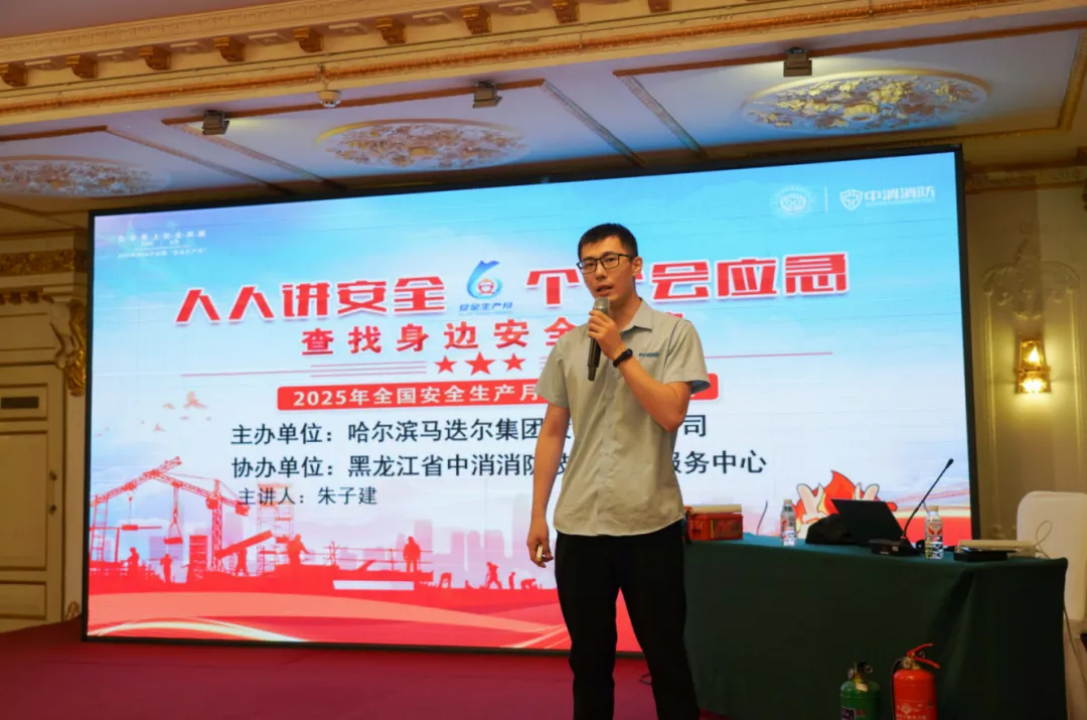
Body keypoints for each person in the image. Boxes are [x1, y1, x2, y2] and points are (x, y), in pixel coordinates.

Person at [527, 222, 710, 720]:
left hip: (648, 523)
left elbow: (671, 413)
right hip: (580, 525)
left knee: (666, 657)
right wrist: (538, 513)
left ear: (636, 265)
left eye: (610, 260)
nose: (599, 273)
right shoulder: (569, 344)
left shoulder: (674, 333)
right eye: (589, 264)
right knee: (588, 662)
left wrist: (620, 352)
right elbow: (552, 432)